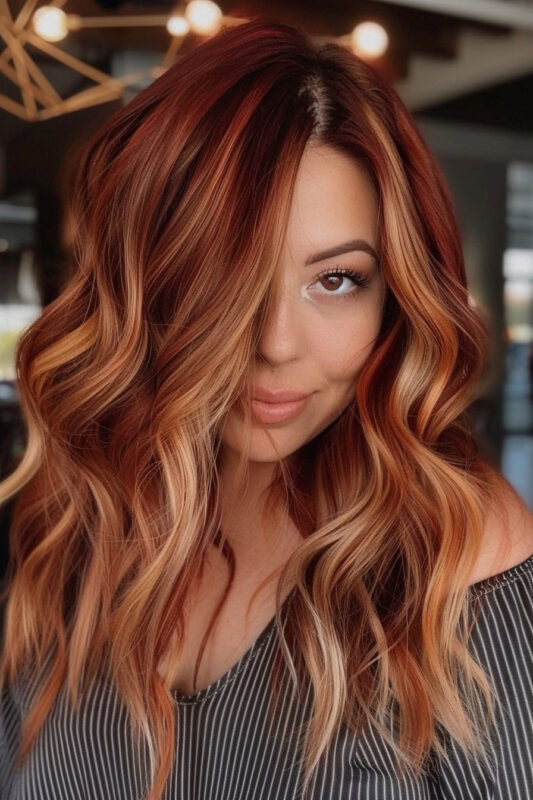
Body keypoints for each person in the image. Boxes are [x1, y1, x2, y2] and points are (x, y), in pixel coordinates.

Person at [1, 14, 532, 800]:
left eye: (336, 279)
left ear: (396, 297)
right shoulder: (82, 525)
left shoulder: (464, 579)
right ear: (149, 280)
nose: (274, 344)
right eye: (226, 273)